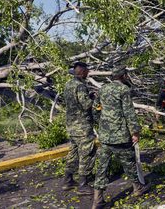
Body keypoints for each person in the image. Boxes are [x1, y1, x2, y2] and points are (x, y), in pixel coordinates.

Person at [92, 65, 150, 209]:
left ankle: (97, 201)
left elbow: (95, 108)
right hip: (120, 136)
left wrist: (102, 122)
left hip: (105, 136)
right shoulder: (124, 90)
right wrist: (135, 132)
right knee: (129, 162)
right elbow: (129, 113)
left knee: (102, 168)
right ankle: (137, 188)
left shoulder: (102, 89)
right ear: (123, 76)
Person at [62, 62, 96, 195]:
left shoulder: (68, 84)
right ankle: (83, 185)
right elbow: (86, 105)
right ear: (82, 72)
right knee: (87, 153)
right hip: (82, 126)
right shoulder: (80, 86)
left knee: (73, 153)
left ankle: (68, 181)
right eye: (87, 71)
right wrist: (92, 98)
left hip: (71, 125)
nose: (88, 73)